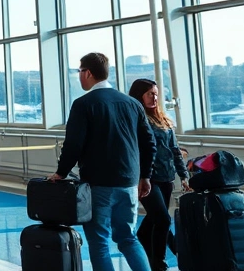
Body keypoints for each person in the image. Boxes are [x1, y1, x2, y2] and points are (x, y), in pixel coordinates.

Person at [48, 52, 156, 271]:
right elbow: (149, 143)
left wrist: (61, 172)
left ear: (87, 73)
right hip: (129, 183)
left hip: (99, 185)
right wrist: (145, 176)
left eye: (79, 72)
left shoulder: (84, 104)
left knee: (99, 243)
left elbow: (73, 144)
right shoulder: (132, 104)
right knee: (128, 238)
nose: (79, 77)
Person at [129, 79, 190, 271]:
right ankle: (160, 263)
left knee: (155, 219)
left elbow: (174, 149)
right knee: (162, 219)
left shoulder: (164, 121)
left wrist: (184, 175)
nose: (154, 97)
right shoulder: (136, 120)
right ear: (140, 96)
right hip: (146, 178)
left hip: (166, 177)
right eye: (149, 94)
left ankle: (153, 254)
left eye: (155, 94)